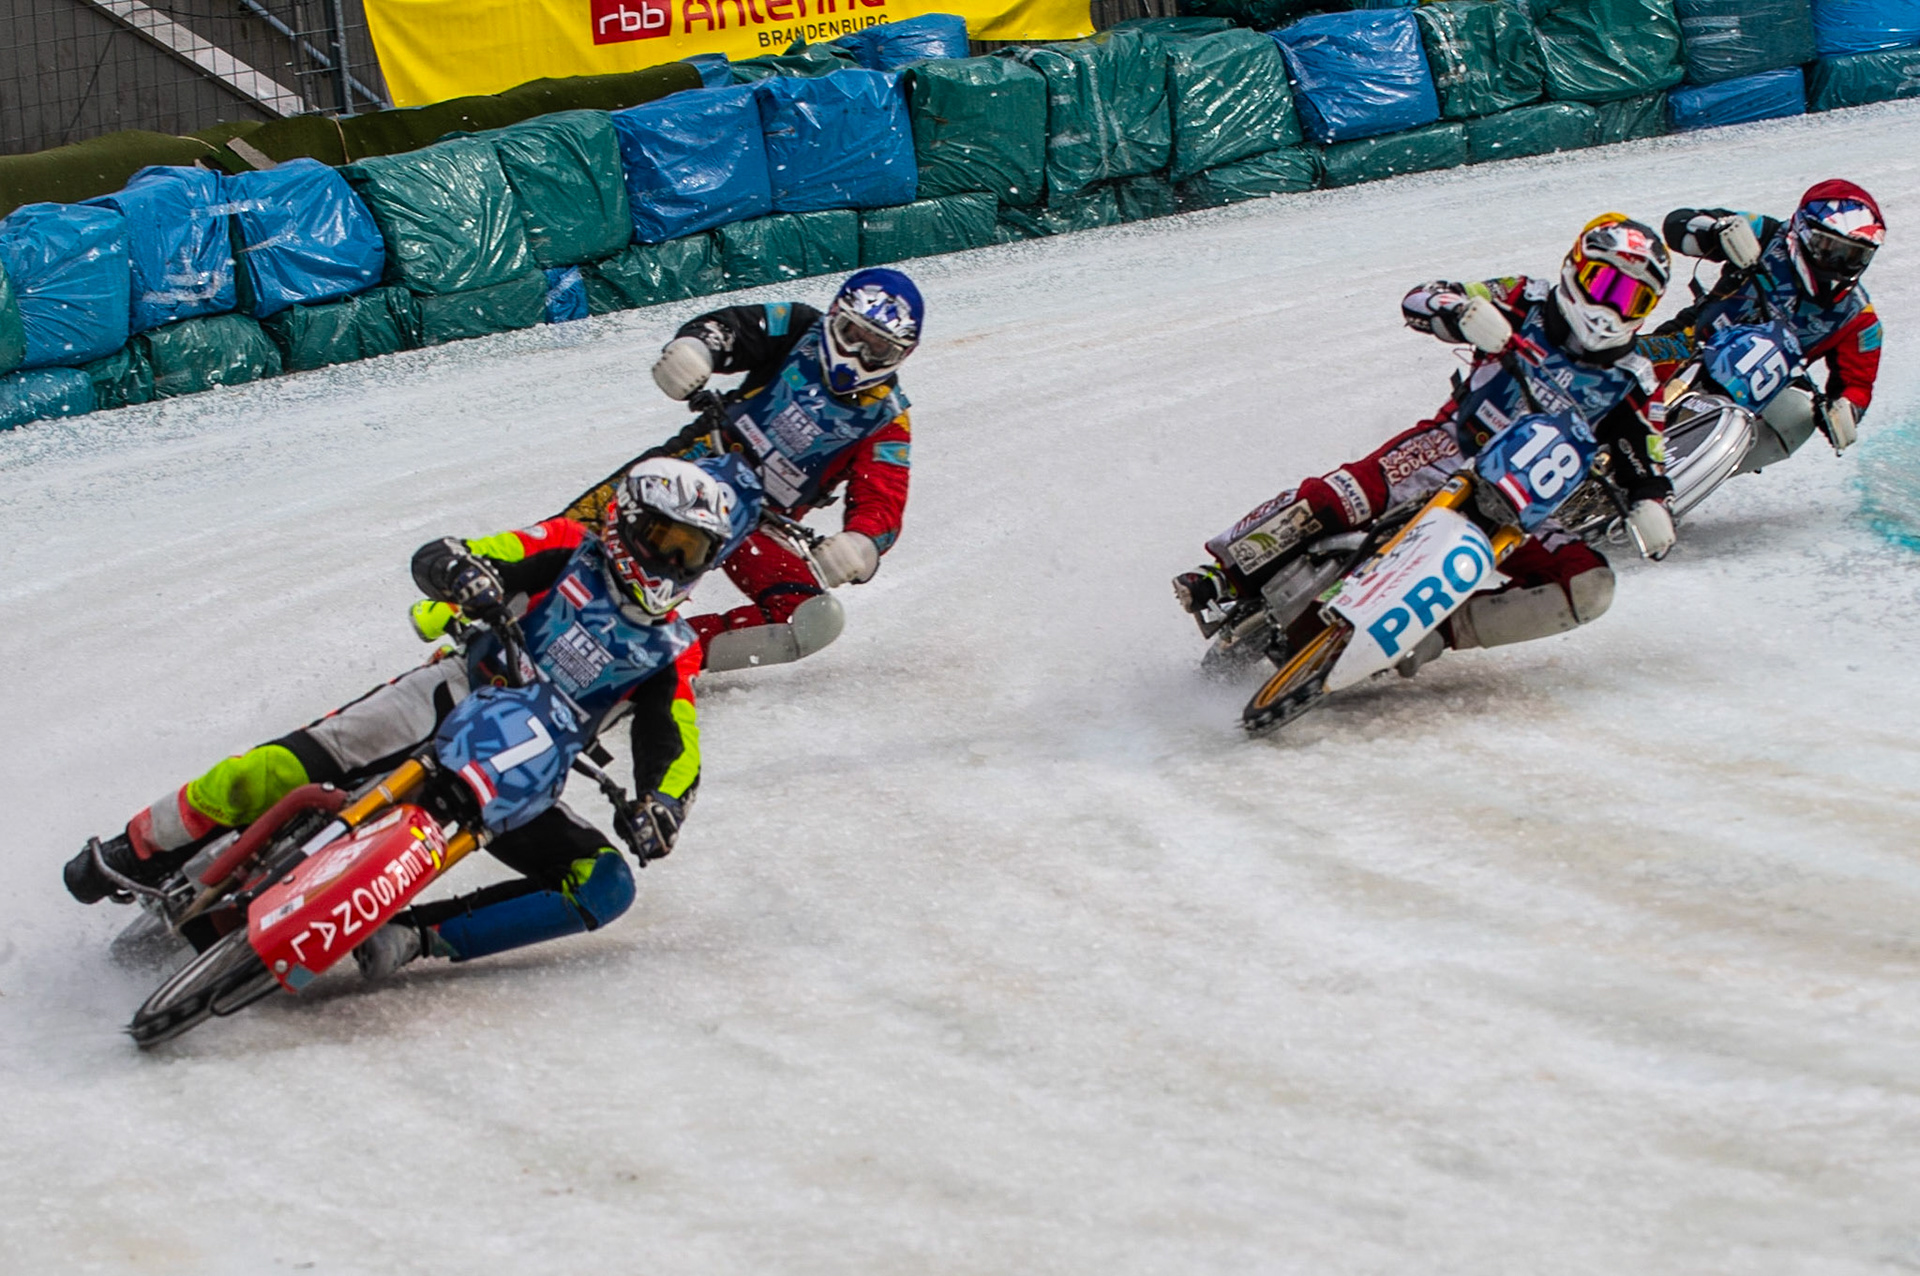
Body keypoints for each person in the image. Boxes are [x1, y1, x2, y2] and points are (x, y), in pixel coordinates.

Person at [64, 455, 763, 980]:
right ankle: (138, 847)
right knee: (295, 761)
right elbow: (465, 552)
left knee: (605, 885)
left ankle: (410, 936)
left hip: (522, 773)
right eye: (666, 539)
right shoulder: (567, 545)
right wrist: (463, 573)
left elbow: (675, 741)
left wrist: (660, 805)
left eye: (692, 552)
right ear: (629, 523)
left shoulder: (671, 649)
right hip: (454, 690)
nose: (671, 562)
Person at [1174, 214, 1677, 671]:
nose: (1612, 307)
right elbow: (1424, 295)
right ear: (1575, 268)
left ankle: (1432, 637)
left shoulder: (1633, 380)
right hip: (1451, 446)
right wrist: (1460, 312)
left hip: (1525, 507)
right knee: (1343, 496)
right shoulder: (1526, 297)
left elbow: (1645, 453)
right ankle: (1225, 571)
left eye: (1633, 298)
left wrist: (1652, 501)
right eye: (1606, 283)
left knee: (1588, 587)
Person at [554, 268, 922, 672]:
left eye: (878, 350)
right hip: (696, 460)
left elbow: (883, 500)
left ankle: (660, 658)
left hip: (755, 522)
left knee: (809, 619)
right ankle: (493, 585)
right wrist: (696, 349)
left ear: (902, 355)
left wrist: (862, 542)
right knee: (576, 534)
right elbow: (730, 327)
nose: (857, 357)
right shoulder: (799, 326)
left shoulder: (888, 420)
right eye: (854, 335)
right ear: (836, 315)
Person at [1638, 179, 1885, 462]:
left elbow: (1858, 385)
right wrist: (1714, 232)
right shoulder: (1765, 235)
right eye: (1830, 248)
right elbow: (1677, 223)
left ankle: (1696, 470)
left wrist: (1846, 411)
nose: (1839, 265)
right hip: (1688, 344)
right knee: (1613, 364)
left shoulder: (1860, 320)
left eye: (1854, 256)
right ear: (1803, 232)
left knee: (1799, 413)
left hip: (1758, 398)